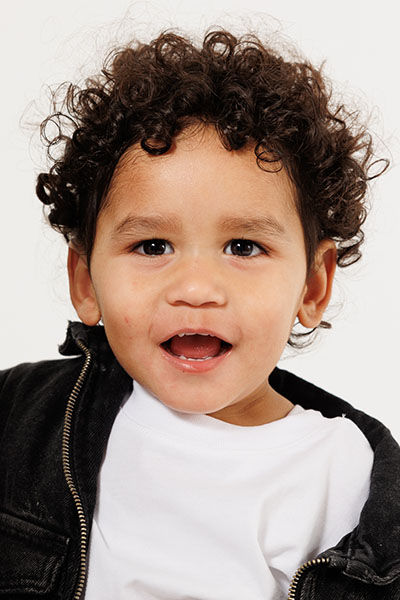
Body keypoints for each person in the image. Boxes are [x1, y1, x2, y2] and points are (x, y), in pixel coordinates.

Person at [0, 28, 398, 600]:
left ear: (313, 285)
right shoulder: (22, 420)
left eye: (243, 247)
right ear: (85, 281)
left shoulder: (340, 473)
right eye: (152, 246)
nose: (195, 289)